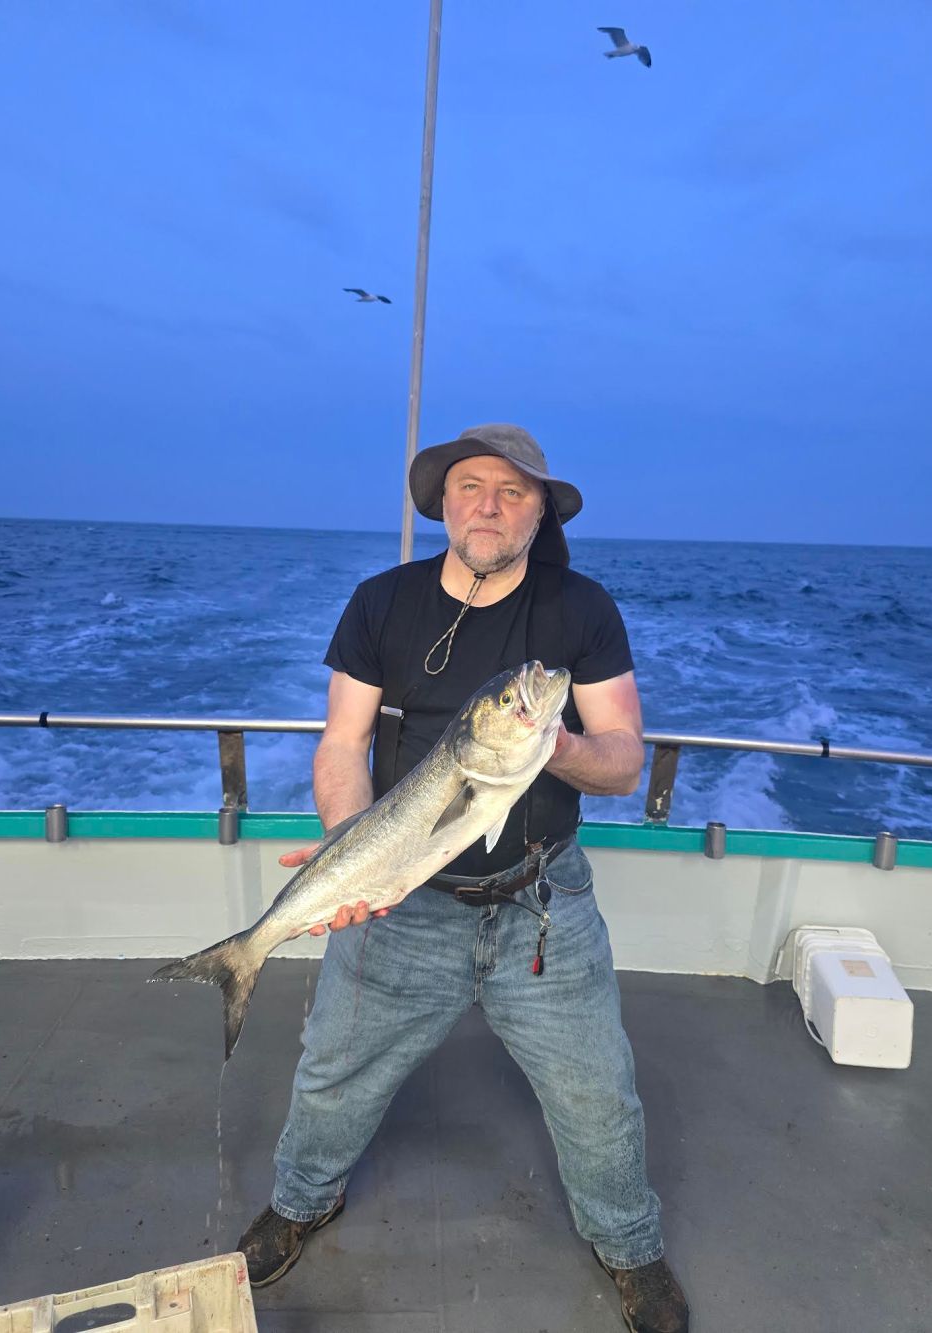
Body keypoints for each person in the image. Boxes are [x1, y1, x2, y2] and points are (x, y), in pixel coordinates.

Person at [238, 424, 689, 1333]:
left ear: (539, 512)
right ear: (444, 500)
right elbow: (340, 747)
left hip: (541, 899)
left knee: (599, 1091)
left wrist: (549, 744)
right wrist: (350, 852)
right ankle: (301, 1200)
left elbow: (623, 759)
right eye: (473, 485)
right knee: (332, 1073)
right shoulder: (379, 603)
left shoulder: (582, 610)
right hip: (403, 902)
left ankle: (628, 1244)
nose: (490, 503)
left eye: (514, 491)